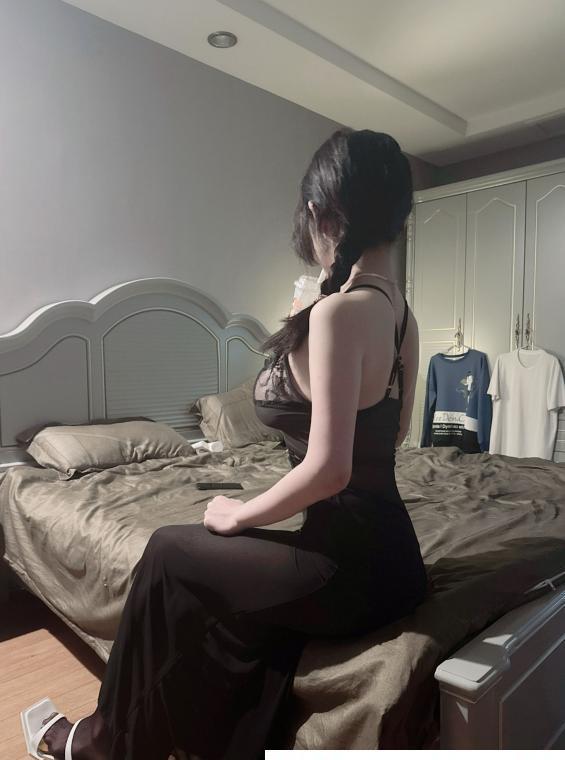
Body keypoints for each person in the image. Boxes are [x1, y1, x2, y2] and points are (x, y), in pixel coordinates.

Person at [27, 127, 428, 759]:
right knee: (237, 605)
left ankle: (103, 741)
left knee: (167, 550)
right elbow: (395, 433)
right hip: (399, 563)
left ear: (322, 214)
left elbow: (330, 469)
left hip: (346, 569)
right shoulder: (402, 314)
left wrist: (240, 513)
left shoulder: (337, 314)